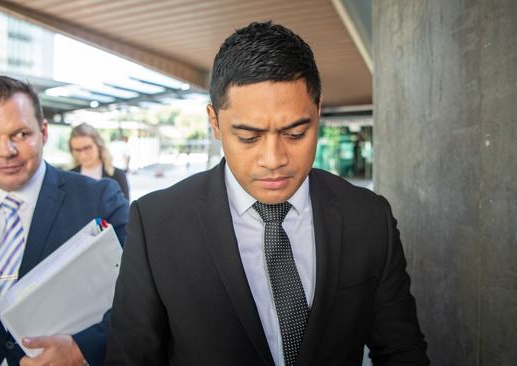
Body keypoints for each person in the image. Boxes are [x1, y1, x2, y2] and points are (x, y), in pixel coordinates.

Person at [107, 21, 429, 366]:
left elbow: (401, 351)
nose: (274, 160)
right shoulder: (157, 225)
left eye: (295, 133)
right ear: (214, 123)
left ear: (318, 112)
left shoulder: (367, 217)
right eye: (249, 137)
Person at [0, 76, 128, 366]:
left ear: (43, 132)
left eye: (21, 134)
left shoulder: (99, 198)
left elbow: (139, 295)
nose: (6, 151)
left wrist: (80, 349)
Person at [69, 123, 130, 201]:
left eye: (87, 148)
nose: (83, 155)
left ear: (98, 145)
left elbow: (126, 210)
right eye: (77, 150)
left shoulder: (117, 175)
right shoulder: (69, 177)